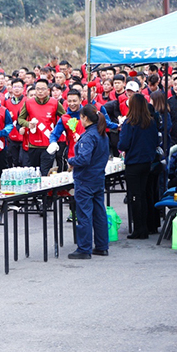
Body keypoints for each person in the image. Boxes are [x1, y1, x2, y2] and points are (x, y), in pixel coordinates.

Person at [67, 104, 110, 259]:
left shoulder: (89, 136)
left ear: (85, 118)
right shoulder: (102, 134)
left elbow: (84, 158)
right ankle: (102, 245)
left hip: (86, 179)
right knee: (99, 213)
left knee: (84, 214)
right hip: (98, 177)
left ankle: (84, 248)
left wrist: (71, 160)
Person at [118, 94, 160, 239]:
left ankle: (139, 229)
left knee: (135, 196)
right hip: (147, 162)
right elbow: (156, 141)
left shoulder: (130, 123)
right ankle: (146, 226)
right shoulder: (151, 122)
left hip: (134, 163)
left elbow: (123, 144)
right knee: (143, 194)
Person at [18, 78, 64, 174]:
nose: (40, 91)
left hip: (49, 144)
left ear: (48, 90)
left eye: (43, 89)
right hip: (33, 144)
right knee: (34, 173)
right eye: (38, 89)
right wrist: (28, 124)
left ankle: (48, 189)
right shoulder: (28, 103)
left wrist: (56, 131)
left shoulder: (54, 103)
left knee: (45, 173)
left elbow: (65, 118)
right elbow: (20, 119)